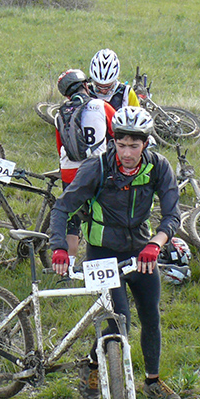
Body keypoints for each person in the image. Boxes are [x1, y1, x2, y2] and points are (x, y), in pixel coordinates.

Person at [49, 106, 182, 399]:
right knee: (118, 321)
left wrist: (157, 243)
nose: (127, 153)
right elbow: (62, 207)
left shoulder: (158, 167)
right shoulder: (96, 168)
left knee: (151, 316)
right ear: (113, 142)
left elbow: (173, 214)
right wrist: (59, 246)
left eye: (134, 146)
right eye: (121, 145)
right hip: (102, 251)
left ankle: (152, 380)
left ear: (146, 143)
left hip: (141, 250)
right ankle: (92, 366)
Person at [54, 69, 115, 259]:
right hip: (97, 170)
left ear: (66, 94)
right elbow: (118, 129)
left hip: (69, 172)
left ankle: (67, 269)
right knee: (104, 218)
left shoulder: (60, 114)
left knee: (72, 222)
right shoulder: (100, 105)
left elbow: (60, 148)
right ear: (86, 86)